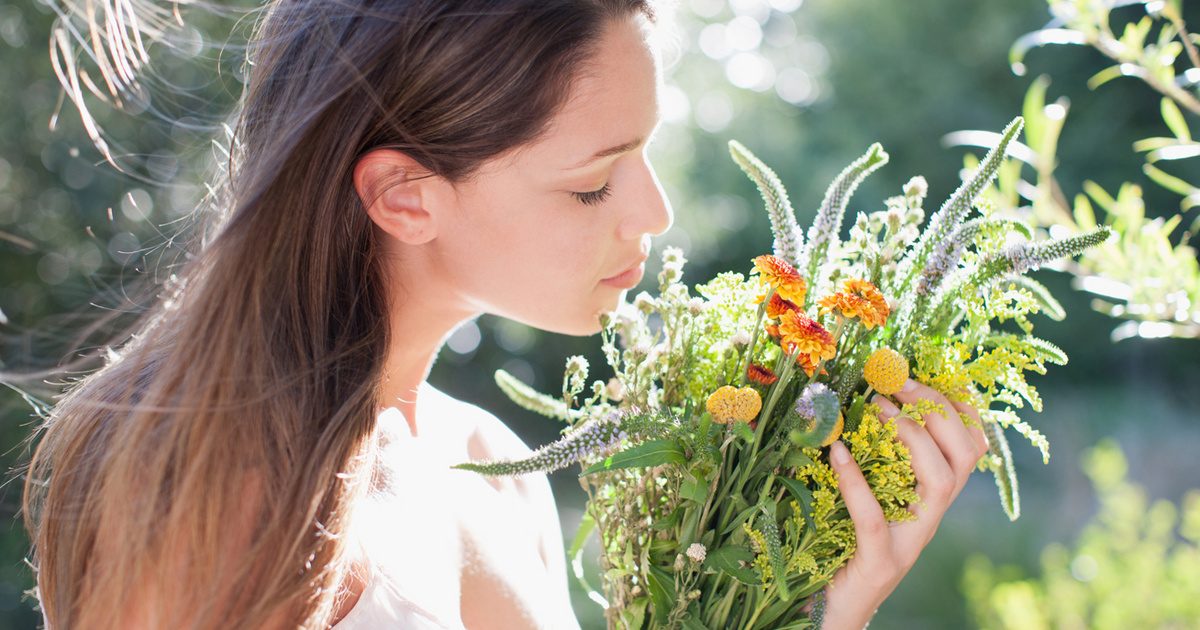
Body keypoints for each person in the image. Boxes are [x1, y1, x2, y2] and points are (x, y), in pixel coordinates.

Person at [13, 0, 989, 628]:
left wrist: (824, 606)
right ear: (404, 197)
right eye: (593, 184)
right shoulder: (209, 490)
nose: (656, 214)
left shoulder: (494, 464)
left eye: (645, 153)